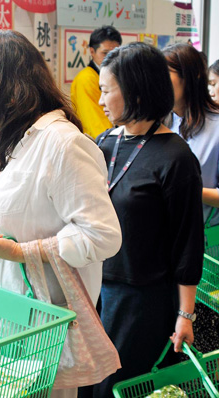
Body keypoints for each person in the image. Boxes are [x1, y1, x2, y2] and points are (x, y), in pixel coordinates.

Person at [0, 31, 122, 398]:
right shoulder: (8, 139)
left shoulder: (62, 143)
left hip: (40, 333)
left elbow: (103, 236)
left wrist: (21, 252)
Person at [91, 42, 203, 397]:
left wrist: (185, 316)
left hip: (142, 298)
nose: (101, 101)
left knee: (115, 386)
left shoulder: (176, 158)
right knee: (87, 384)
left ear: (136, 91)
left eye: (107, 91)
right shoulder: (104, 144)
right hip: (95, 287)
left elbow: (188, 242)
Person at [163, 44, 219, 354]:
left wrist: (187, 189)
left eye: (166, 74)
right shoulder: (163, 123)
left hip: (208, 251)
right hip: (167, 248)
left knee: (205, 338)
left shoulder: (216, 126)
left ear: (191, 77)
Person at [70, 25, 122, 139]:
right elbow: (96, 125)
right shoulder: (86, 79)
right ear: (92, 51)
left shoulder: (114, 75)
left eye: (116, 53)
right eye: (105, 53)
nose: (111, 58)